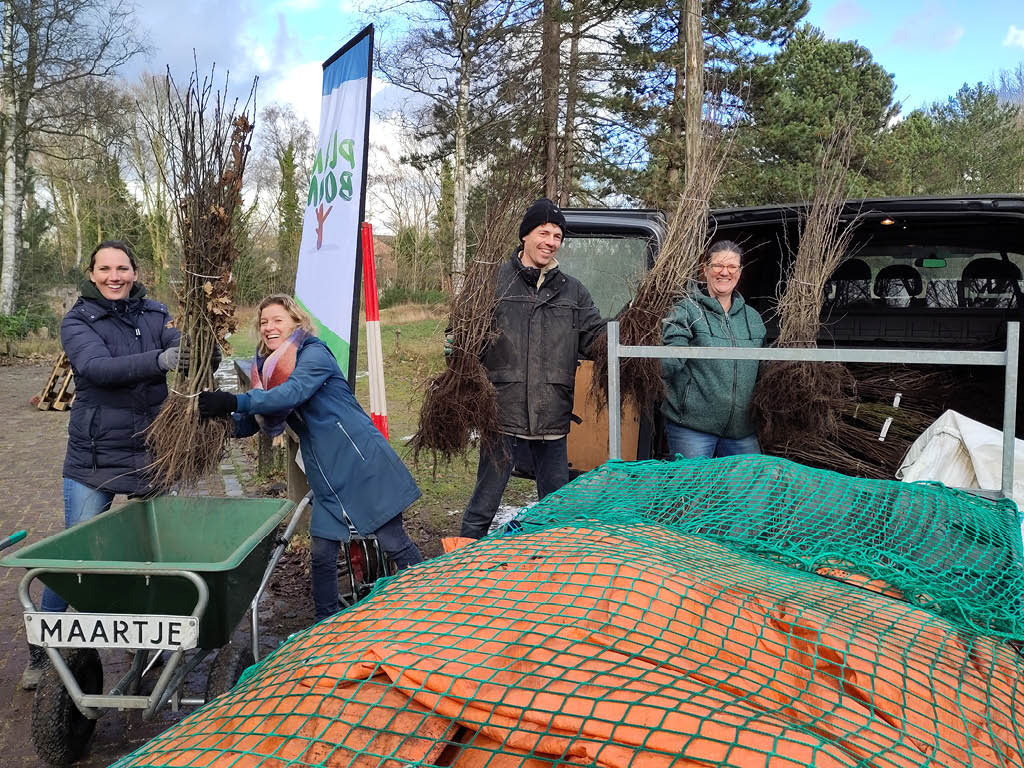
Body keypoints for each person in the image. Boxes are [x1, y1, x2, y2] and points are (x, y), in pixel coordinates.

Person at [197, 295, 423, 623]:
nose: (269, 327)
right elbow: (256, 420)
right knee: (322, 554)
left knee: (393, 540)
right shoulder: (269, 370)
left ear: (296, 321)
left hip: (359, 460)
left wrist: (235, 400)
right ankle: (326, 626)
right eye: (264, 322)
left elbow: (291, 394)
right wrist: (215, 425)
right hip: (325, 473)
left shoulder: (313, 353)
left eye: (277, 320)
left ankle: (429, 605)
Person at [22, 240, 184, 690]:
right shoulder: (77, 320)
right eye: (105, 269)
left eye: (122, 268)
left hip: (154, 449)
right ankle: (43, 652)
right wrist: (160, 360)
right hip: (95, 454)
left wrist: (196, 348)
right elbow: (98, 368)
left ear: (135, 272)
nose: (115, 277)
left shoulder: (157, 313)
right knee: (76, 555)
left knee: (156, 552)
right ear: (92, 275)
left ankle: (148, 638)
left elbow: (181, 344)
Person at [459, 198, 605, 539]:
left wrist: (628, 333)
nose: (550, 241)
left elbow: (596, 337)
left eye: (557, 236)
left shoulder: (573, 291)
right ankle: (462, 556)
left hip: (552, 411)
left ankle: (555, 562)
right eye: (543, 232)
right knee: (485, 501)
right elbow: (464, 335)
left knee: (556, 506)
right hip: (502, 409)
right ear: (525, 235)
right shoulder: (492, 283)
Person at [661, 240, 766, 459]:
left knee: (750, 481)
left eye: (732, 267)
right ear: (705, 269)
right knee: (691, 482)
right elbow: (671, 357)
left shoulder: (753, 318)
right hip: (692, 427)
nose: (724, 272)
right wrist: (650, 367)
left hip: (741, 430)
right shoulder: (686, 310)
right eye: (718, 265)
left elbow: (763, 369)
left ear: (739, 272)